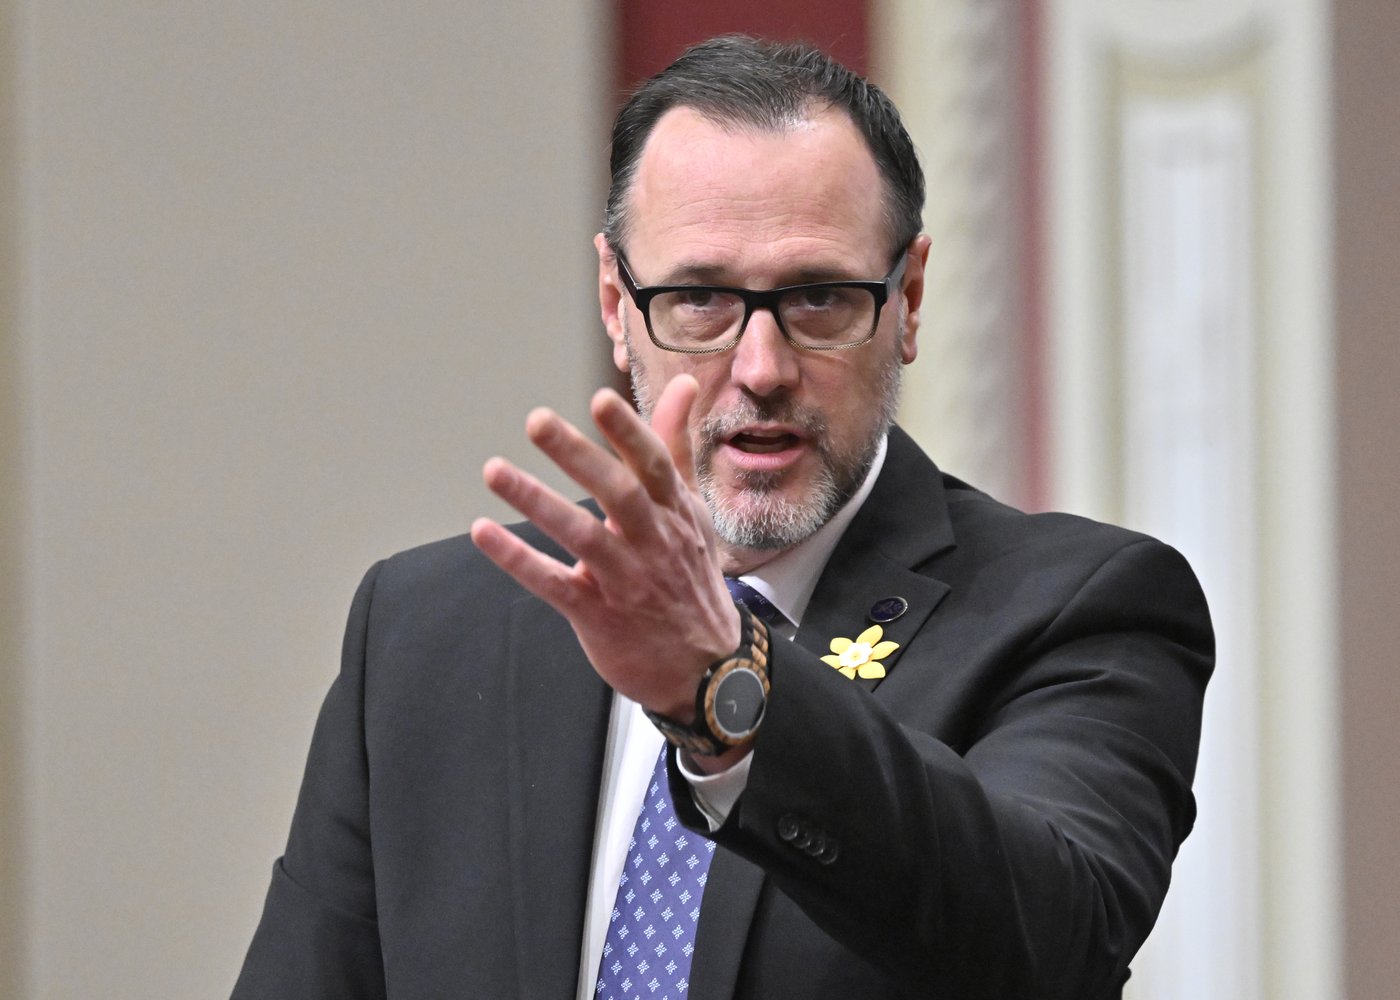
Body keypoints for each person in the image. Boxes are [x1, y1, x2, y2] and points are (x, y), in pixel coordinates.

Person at [233, 35, 1212, 1000]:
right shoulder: (425, 633)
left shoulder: (1081, 609)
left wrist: (726, 688)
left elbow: (1053, 946)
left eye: (818, 298)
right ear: (616, 303)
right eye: (699, 298)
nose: (760, 368)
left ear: (908, 299)